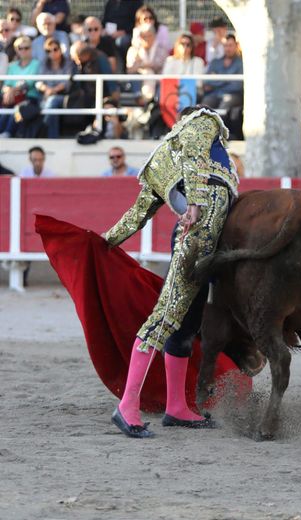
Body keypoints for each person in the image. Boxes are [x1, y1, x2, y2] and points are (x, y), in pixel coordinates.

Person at [104, 105, 239, 438]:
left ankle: (177, 407)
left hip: (202, 230)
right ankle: (127, 407)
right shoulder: (203, 122)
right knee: (167, 315)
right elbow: (195, 155)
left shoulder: (159, 161)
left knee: (186, 321)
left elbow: (136, 217)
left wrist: (105, 241)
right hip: (201, 226)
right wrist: (194, 201)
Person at [0, 36, 40, 138]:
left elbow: (29, 83)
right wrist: (8, 91)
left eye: (26, 48)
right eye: (20, 48)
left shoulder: (37, 64)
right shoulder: (12, 66)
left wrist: (12, 91)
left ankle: (8, 133)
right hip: (11, 98)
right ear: (16, 50)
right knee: (5, 109)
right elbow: (6, 84)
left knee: (17, 108)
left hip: (29, 98)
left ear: (31, 49)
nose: (23, 50)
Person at [36, 37, 73, 138]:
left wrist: (52, 90)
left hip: (62, 95)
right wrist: (46, 89)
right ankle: (52, 136)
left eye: (55, 49)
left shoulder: (68, 63)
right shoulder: (44, 63)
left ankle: (47, 133)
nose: (52, 52)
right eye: (48, 50)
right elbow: (38, 82)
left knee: (52, 103)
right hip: (45, 95)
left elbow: (67, 83)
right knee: (51, 106)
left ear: (60, 49)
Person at [126, 23, 168, 104]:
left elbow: (163, 67)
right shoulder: (133, 50)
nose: (146, 39)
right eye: (144, 36)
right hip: (139, 82)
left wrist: (143, 65)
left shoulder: (161, 50)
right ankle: (140, 99)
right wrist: (146, 66)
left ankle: (154, 103)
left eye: (149, 36)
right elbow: (130, 69)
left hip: (157, 81)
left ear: (154, 36)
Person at [202, 34, 243, 110]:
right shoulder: (215, 62)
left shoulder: (241, 63)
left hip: (233, 96)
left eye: (230, 45)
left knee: (224, 106)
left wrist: (216, 80)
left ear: (236, 46)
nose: (228, 48)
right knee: (204, 106)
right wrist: (228, 80)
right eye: (225, 46)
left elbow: (237, 86)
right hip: (214, 95)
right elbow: (206, 82)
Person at [102, 0, 143, 68]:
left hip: (128, 34)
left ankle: (124, 68)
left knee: (121, 42)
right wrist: (103, 30)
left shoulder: (136, 2)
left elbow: (138, 21)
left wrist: (124, 32)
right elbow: (104, 20)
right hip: (109, 34)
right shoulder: (110, 3)